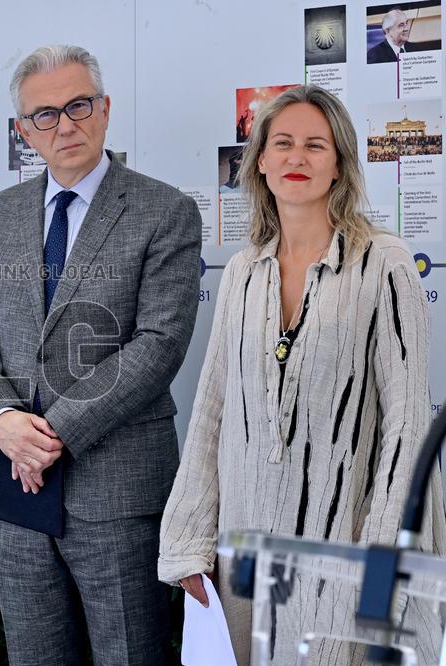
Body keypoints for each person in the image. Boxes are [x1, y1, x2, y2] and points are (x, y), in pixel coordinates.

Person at [159, 85, 446, 664]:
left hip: (343, 546)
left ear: (338, 163)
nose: (297, 158)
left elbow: (408, 423)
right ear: (260, 160)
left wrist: (383, 557)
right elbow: (213, 406)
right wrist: (189, 540)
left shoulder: (386, 262)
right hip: (246, 550)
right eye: (283, 143)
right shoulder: (242, 270)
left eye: (316, 145)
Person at [0, 44, 201, 665]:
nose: (65, 125)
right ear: (23, 131)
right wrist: (3, 422)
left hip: (116, 490)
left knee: (129, 655)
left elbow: (159, 343)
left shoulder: (164, 210)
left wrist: (52, 432)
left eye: (79, 105)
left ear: (105, 109)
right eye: (45, 114)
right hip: (13, 483)